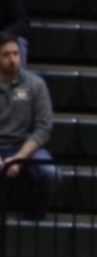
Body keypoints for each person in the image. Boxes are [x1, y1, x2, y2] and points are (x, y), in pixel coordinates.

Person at [0, 32, 57, 220]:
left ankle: (33, 224)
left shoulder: (36, 84)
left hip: (24, 147)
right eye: (6, 55)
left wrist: (19, 159)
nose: (13, 59)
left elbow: (44, 127)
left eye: (15, 53)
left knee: (50, 173)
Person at [0, 1, 27, 66]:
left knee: (18, 43)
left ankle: (15, 75)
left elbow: (22, 23)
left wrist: (3, 36)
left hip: (4, 37)